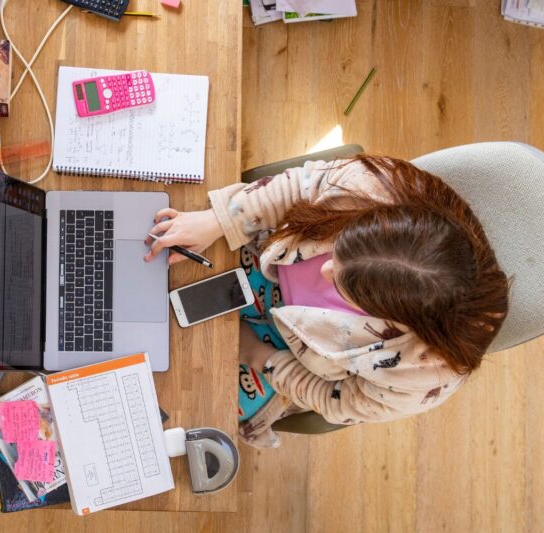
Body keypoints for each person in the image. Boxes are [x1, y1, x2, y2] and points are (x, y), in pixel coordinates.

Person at [145, 155, 509, 447]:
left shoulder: (419, 377)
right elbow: (299, 187)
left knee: (180, 408)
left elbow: (335, 400)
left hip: (288, 360)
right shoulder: (379, 188)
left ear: (394, 321)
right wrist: (218, 221)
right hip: (265, 259)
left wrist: (258, 356)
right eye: (341, 248)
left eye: (343, 284)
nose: (325, 269)